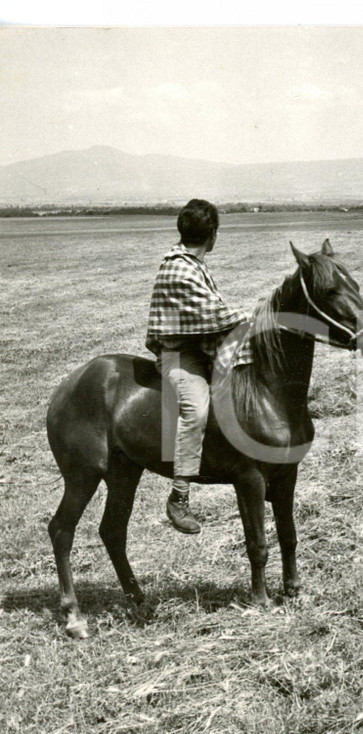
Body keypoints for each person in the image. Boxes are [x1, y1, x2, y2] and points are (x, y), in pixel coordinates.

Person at [145, 199, 248, 535]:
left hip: (197, 348)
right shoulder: (180, 269)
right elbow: (215, 316)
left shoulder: (190, 263)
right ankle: (179, 495)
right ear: (213, 236)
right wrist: (254, 316)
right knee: (196, 410)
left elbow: (210, 315)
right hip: (177, 353)